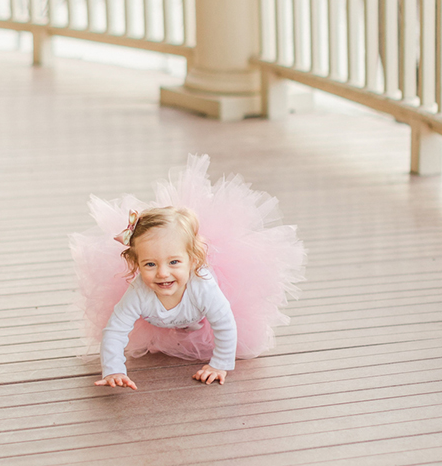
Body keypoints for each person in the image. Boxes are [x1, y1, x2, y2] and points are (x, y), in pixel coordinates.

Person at [69, 154, 306, 387]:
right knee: (149, 327)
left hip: (196, 312)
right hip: (161, 316)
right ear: (136, 264)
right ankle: (169, 313)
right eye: (150, 264)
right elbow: (115, 329)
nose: (163, 273)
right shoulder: (138, 290)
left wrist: (219, 364)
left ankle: (192, 318)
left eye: (174, 262)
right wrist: (114, 370)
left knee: (213, 319)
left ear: (192, 261)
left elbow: (224, 324)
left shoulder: (203, 286)